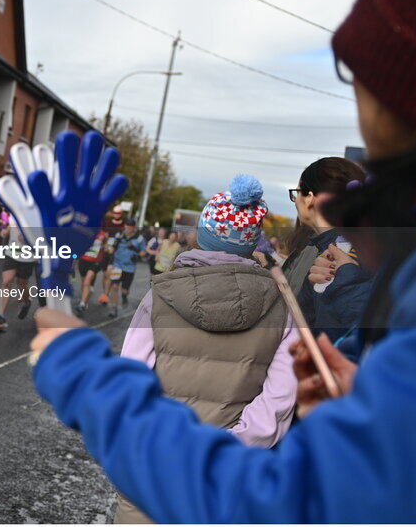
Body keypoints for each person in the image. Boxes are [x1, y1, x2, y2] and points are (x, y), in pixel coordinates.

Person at [27, 0, 416, 522]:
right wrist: (373, 408)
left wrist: (77, 370)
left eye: (356, 72)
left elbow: (290, 505)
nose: (359, 99)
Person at [114, 174, 296, 523]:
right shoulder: (284, 307)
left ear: (203, 233)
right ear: (251, 241)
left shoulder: (160, 296)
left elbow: (130, 378)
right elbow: (281, 397)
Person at [290, 157, 369, 342]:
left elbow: (330, 334)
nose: (295, 202)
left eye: (296, 193)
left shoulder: (339, 253)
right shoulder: (359, 245)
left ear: (309, 198)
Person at [0, 213, 36, 330]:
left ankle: (27, 302)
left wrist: (28, 238)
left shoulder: (36, 213)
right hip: (12, 253)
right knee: (6, 282)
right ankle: (0, 317)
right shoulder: (14, 211)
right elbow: (12, 225)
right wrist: (6, 231)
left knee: (21, 286)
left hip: (28, 256)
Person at [106, 219, 146, 316]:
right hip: (117, 265)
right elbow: (113, 248)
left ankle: (124, 296)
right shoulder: (119, 235)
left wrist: (137, 256)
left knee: (125, 290)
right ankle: (114, 308)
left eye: (130, 226)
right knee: (114, 286)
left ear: (134, 227)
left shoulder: (139, 238)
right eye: (126, 225)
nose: (127, 227)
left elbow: (143, 251)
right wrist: (110, 256)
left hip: (129, 268)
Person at [75, 227, 109, 316]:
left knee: (87, 281)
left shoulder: (104, 234)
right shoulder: (85, 231)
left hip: (95, 262)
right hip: (83, 260)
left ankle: (82, 304)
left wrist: (105, 249)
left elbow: (106, 248)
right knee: (84, 283)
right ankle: (85, 298)